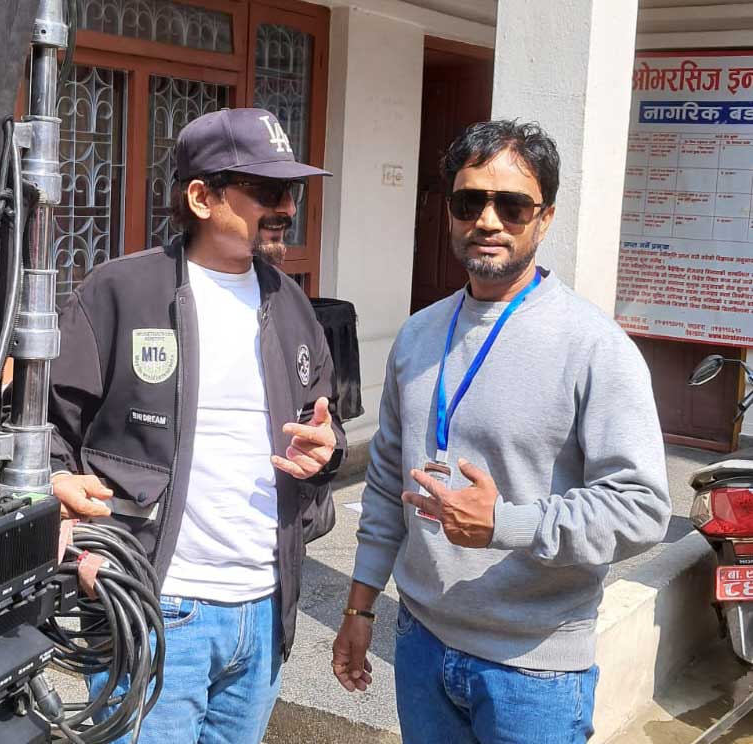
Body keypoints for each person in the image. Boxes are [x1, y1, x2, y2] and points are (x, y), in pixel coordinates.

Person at [331, 119, 670, 743]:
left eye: (512, 205)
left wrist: (506, 523)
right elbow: (383, 486)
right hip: (421, 643)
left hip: (534, 668)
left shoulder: (595, 347)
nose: (487, 221)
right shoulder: (418, 335)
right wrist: (360, 605)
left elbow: (642, 508)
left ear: (544, 218)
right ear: (451, 213)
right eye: (469, 202)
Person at [48, 107, 346, 744]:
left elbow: (324, 425)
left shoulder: (291, 303)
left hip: (264, 614)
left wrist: (328, 452)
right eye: (267, 190)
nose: (286, 207)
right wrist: (61, 505)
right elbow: (49, 429)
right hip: (157, 605)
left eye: (291, 191)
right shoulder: (119, 291)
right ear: (202, 197)